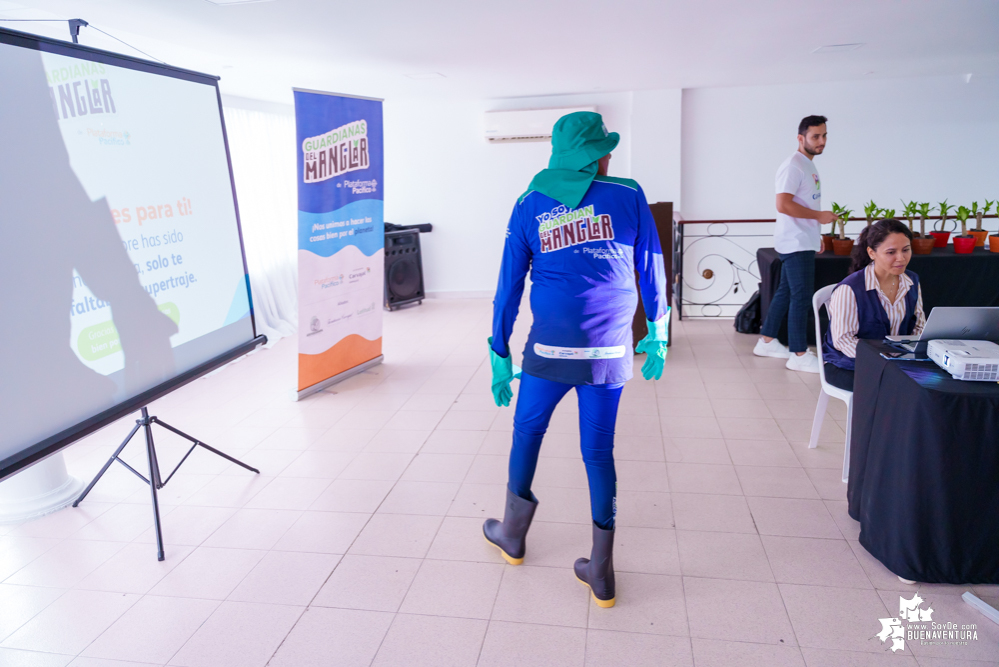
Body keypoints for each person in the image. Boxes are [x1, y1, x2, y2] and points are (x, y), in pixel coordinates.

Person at [483, 112, 670, 609]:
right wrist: (659, 331)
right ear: (597, 154)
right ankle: (602, 571)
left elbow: (508, 289)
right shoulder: (629, 194)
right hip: (609, 352)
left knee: (527, 434)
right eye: (605, 148)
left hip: (547, 351)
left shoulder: (529, 202)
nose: (609, 156)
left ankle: (513, 536)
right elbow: (651, 266)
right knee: (598, 453)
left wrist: (499, 350)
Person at [754, 115, 839, 372]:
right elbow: (783, 204)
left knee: (787, 291)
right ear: (801, 138)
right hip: (794, 241)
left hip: (802, 239)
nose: (821, 141)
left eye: (824, 136)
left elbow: (805, 203)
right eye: (816, 136)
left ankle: (767, 341)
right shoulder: (794, 165)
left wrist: (816, 234)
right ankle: (799, 354)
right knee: (801, 296)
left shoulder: (807, 164)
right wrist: (819, 218)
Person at [822, 219, 925, 391]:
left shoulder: (911, 281)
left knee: (932, 382)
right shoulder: (850, 289)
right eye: (891, 252)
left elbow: (919, 325)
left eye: (906, 250)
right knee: (901, 387)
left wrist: (909, 355)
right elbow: (843, 341)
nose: (901, 258)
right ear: (871, 253)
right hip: (847, 365)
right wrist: (883, 360)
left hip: (895, 362)